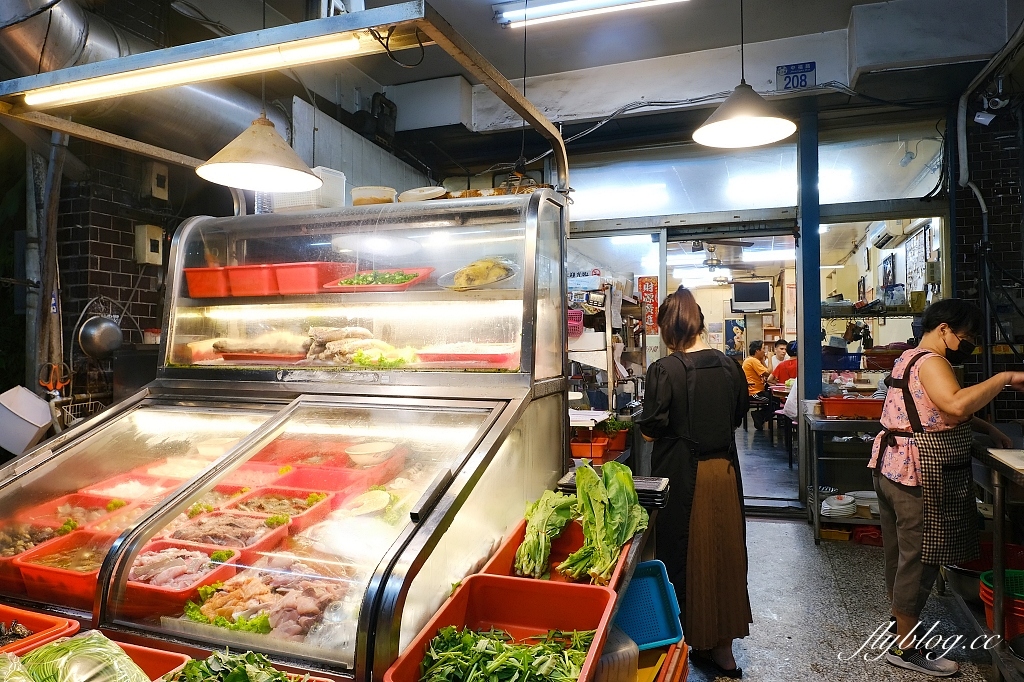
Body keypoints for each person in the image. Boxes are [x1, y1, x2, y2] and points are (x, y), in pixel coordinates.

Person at [868, 298, 1024, 676]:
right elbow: (953, 406)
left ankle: (900, 631)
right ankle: (905, 650)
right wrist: (1005, 378)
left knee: (900, 558)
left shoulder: (909, 356)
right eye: (965, 336)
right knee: (919, 561)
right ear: (943, 330)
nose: (966, 344)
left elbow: (925, 411)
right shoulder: (933, 361)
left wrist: (988, 429)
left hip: (892, 467)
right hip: (916, 473)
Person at [638, 287, 751, 679]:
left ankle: (680, 646)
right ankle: (723, 651)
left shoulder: (665, 370)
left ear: (669, 331)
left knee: (682, 559)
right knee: (727, 558)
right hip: (724, 472)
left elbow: (651, 430)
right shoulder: (730, 366)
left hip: (685, 480)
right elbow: (739, 414)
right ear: (700, 323)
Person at [742, 340, 777, 429]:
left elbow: (765, 371)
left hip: (757, 390)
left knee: (776, 399)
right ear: (757, 350)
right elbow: (769, 372)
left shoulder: (754, 360)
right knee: (775, 402)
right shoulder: (752, 360)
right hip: (754, 393)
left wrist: (762, 360)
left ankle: (760, 417)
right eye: (763, 349)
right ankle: (759, 415)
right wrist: (770, 358)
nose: (764, 351)